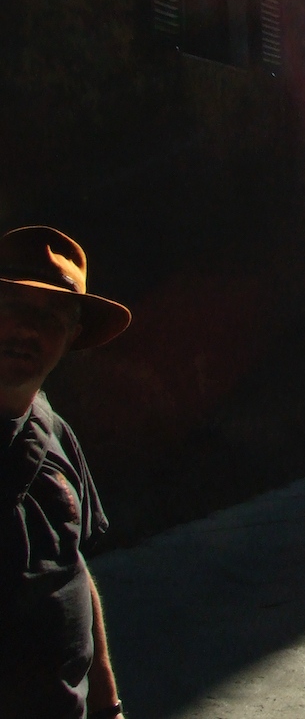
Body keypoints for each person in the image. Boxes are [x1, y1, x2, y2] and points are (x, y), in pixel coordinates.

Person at [0, 226, 131, 719]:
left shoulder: (53, 429)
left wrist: (108, 703)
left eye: (49, 316)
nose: (26, 329)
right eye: (10, 306)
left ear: (72, 336)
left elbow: (71, 565)